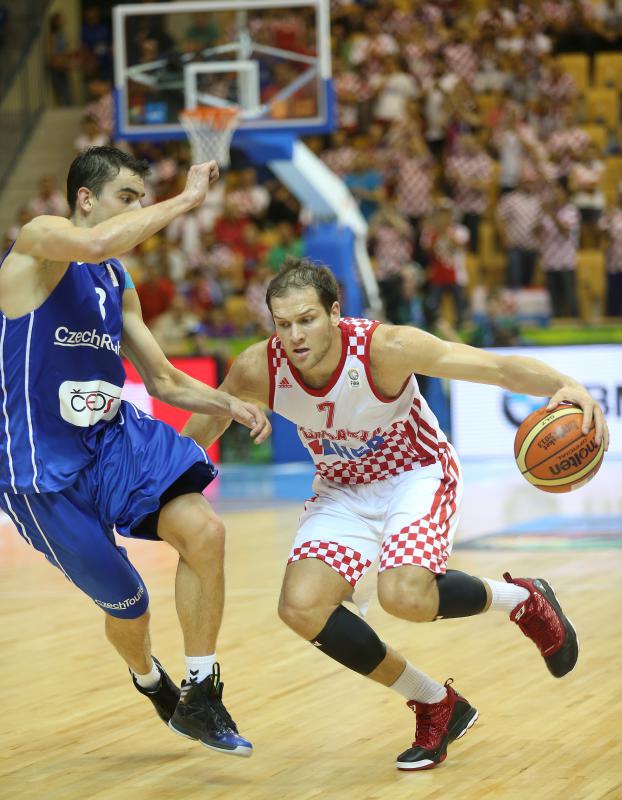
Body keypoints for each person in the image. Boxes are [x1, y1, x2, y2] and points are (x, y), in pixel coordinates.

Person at [182, 257, 609, 771]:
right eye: (283, 323)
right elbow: (206, 425)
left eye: (307, 319)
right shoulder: (259, 367)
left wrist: (570, 386)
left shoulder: (385, 349)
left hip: (416, 473)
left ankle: (524, 598)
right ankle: (436, 703)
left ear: (335, 312)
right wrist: (167, 489)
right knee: (301, 607)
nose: (294, 335)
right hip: (341, 489)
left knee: (404, 596)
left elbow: (491, 367)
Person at [0, 146, 271, 757]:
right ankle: (151, 681)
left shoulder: (117, 281)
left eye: (142, 201)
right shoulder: (40, 239)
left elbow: (164, 381)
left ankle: (202, 691)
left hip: (113, 441)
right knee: (130, 603)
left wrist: (230, 405)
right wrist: (188, 200)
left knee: (205, 532)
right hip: (40, 469)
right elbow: (95, 244)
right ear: (85, 199)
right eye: (129, 197)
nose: (139, 212)